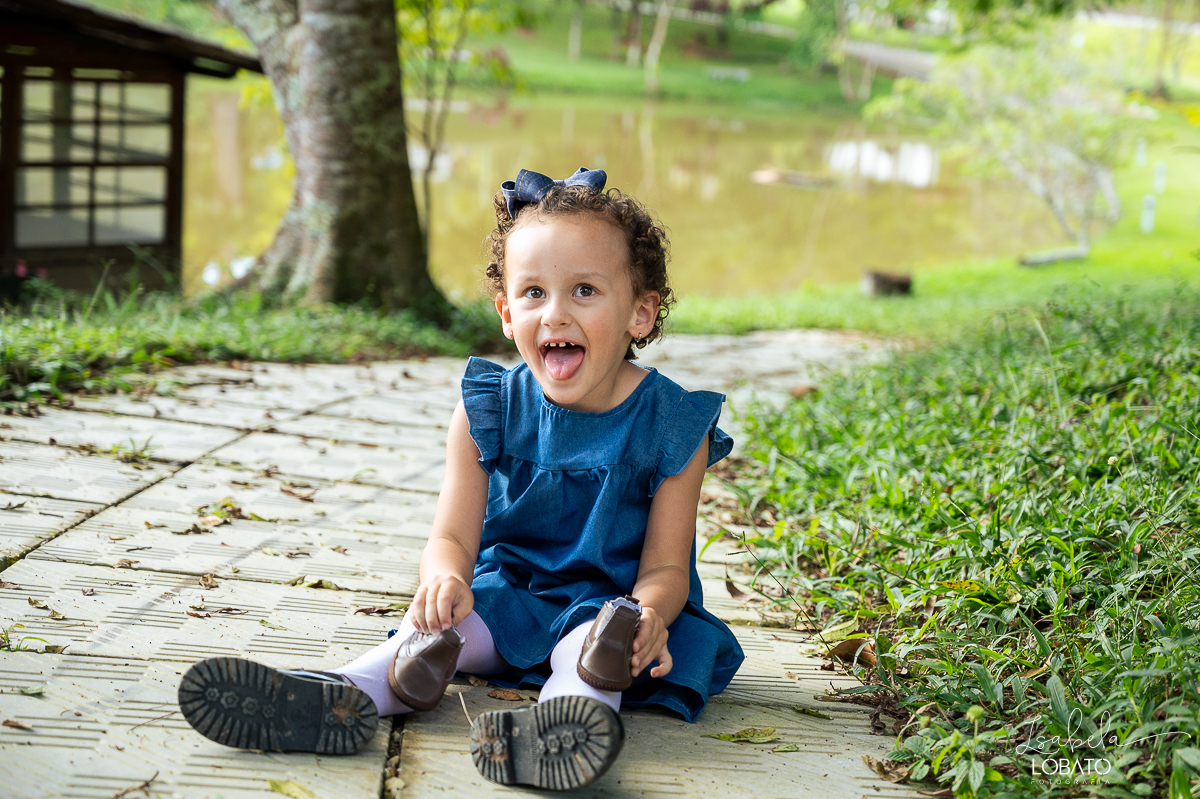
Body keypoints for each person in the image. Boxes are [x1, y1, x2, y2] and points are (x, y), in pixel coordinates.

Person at [177, 168, 745, 791]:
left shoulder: (672, 425)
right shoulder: (489, 407)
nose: (555, 314)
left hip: (609, 606)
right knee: (436, 631)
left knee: (593, 654)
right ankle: (346, 693)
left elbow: (666, 568)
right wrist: (444, 579)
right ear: (506, 312)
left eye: (584, 290)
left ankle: (566, 726)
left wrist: (648, 616)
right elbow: (451, 536)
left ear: (641, 311)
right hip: (507, 593)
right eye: (533, 293)